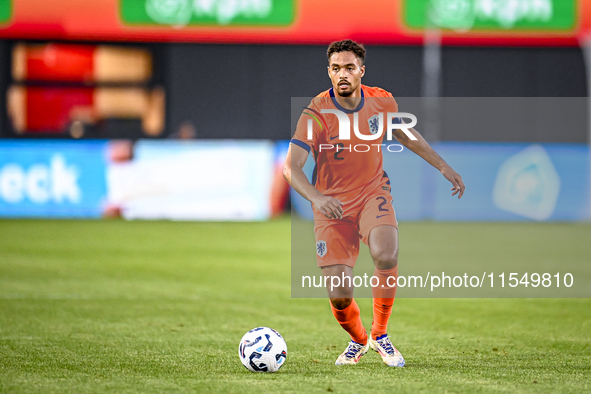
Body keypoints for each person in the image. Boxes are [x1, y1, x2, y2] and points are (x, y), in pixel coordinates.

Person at [283, 39, 465, 367]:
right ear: (328, 71)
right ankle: (358, 340)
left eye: (349, 68)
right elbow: (291, 167)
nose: (342, 74)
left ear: (361, 71)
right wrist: (318, 198)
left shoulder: (382, 102)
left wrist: (442, 165)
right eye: (336, 68)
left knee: (386, 252)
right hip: (332, 207)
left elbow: (406, 134)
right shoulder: (315, 113)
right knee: (339, 295)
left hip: (372, 194)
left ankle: (380, 335)